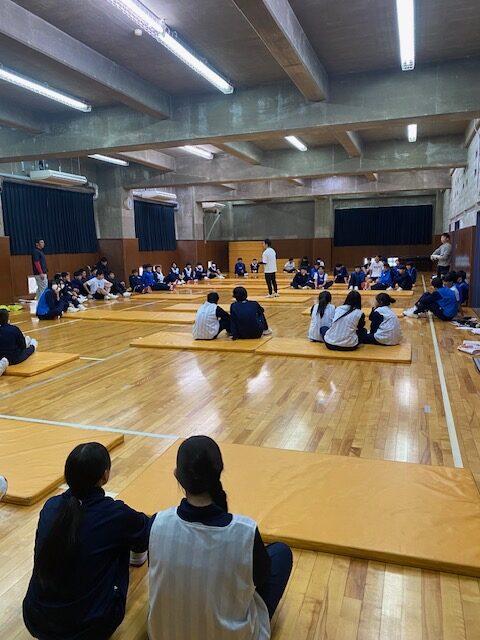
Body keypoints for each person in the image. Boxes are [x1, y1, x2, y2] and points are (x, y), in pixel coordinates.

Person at [147, 436, 292, 640]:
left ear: (177, 476)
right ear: (219, 471)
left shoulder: (157, 523)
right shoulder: (246, 531)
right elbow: (260, 579)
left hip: (163, 635)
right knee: (281, 553)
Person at [23, 442, 152, 640]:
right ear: (105, 475)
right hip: (90, 629)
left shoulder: (51, 506)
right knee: (125, 536)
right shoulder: (114, 514)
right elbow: (147, 533)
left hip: (36, 619)